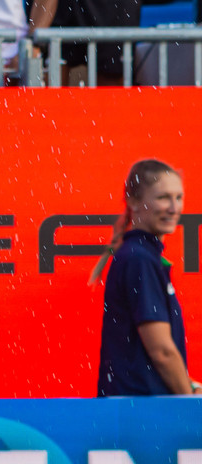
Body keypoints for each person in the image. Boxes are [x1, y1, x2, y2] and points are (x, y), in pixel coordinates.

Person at [95, 159, 201, 397]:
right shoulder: (138, 258)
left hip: (141, 405)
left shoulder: (142, 256)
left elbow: (153, 356)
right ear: (133, 201)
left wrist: (191, 386)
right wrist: (190, 404)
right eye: (163, 197)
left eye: (179, 197)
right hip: (141, 409)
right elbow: (162, 351)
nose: (174, 208)